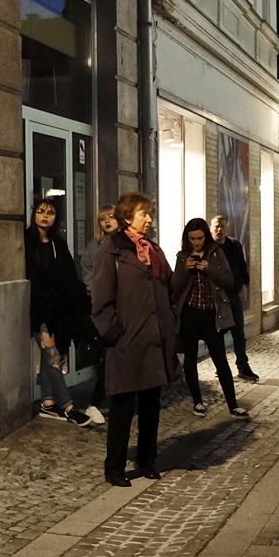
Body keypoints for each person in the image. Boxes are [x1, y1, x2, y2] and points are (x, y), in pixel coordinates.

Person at [91, 193, 179, 486]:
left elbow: (169, 285)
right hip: (127, 342)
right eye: (144, 214)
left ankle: (146, 460)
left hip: (154, 340)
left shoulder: (153, 249)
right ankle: (114, 467)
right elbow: (101, 301)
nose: (149, 219)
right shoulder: (111, 251)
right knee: (123, 407)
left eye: (150, 214)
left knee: (152, 405)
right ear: (128, 217)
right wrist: (115, 334)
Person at [173, 219, 251, 419]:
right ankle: (197, 401)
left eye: (199, 238)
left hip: (211, 314)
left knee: (220, 359)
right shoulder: (182, 256)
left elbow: (229, 280)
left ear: (205, 237)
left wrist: (209, 269)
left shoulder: (216, 253)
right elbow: (175, 286)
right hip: (190, 314)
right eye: (192, 239)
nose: (196, 243)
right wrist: (185, 269)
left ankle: (233, 405)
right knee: (190, 359)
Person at [26, 198, 93, 427]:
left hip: (58, 310)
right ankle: (68, 407)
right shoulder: (25, 241)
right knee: (53, 357)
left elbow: (69, 277)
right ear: (34, 214)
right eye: (41, 211)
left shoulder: (59, 244)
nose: (45, 216)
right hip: (38, 310)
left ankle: (47, 403)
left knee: (50, 357)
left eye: (51, 212)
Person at [75, 205, 119, 422]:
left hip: (127, 308)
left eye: (111, 217)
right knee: (108, 358)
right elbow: (89, 277)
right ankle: (95, 402)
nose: (107, 221)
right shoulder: (95, 247)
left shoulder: (125, 243)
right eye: (102, 219)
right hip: (106, 309)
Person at [211, 214, 260, 382]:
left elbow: (241, 266)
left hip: (233, 295)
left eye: (222, 226)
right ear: (211, 228)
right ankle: (221, 366)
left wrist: (245, 284)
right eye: (216, 226)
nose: (219, 229)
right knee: (217, 334)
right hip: (216, 297)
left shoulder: (234, 245)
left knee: (238, 332)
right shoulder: (209, 247)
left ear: (227, 228)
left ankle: (242, 366)